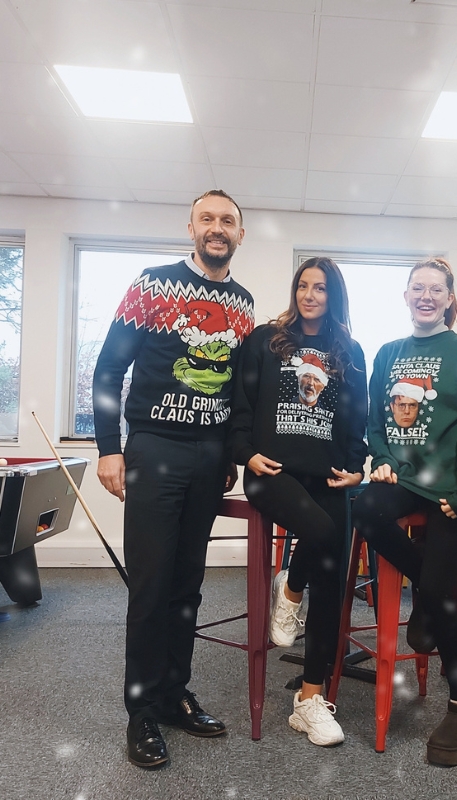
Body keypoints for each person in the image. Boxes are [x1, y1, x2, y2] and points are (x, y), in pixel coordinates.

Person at [92, 190, 255, 768]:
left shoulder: (242, 301)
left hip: (210, 458)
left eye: (227, 221)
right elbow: (110, 368)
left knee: (188, 586)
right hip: (155, 449)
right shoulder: (153, 283)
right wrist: (109, 450)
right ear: (190, 227)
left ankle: (172, 694)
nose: (217, 228)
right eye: (207, 219)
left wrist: (235, 449)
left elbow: (239, 388)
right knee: (152, 586)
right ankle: (139, 712)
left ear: (240, 233)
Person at [352, 257, 457, 767]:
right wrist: (387, 461)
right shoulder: (389, 353)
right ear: (407, 295)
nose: (426, 296)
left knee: (441, 591)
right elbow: (374, 422)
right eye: (418, 287)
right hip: (406, 481)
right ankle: (427, 597)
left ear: (449, 298)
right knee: (366, 508)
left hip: (453, 491)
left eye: (436, 289)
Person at [228, 256, 367, 746]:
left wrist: (355, 466)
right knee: (326, 536)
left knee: (333, 573)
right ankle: (289, 586)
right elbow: (240, 404)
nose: (310, 295)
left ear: (334, 297)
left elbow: (356, 419)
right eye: (304, 286)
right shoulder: (266, 340)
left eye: (321, 289)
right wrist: (246, 453)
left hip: (325, 477)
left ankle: (310, 700)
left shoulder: (348, 351)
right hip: (272, 473)